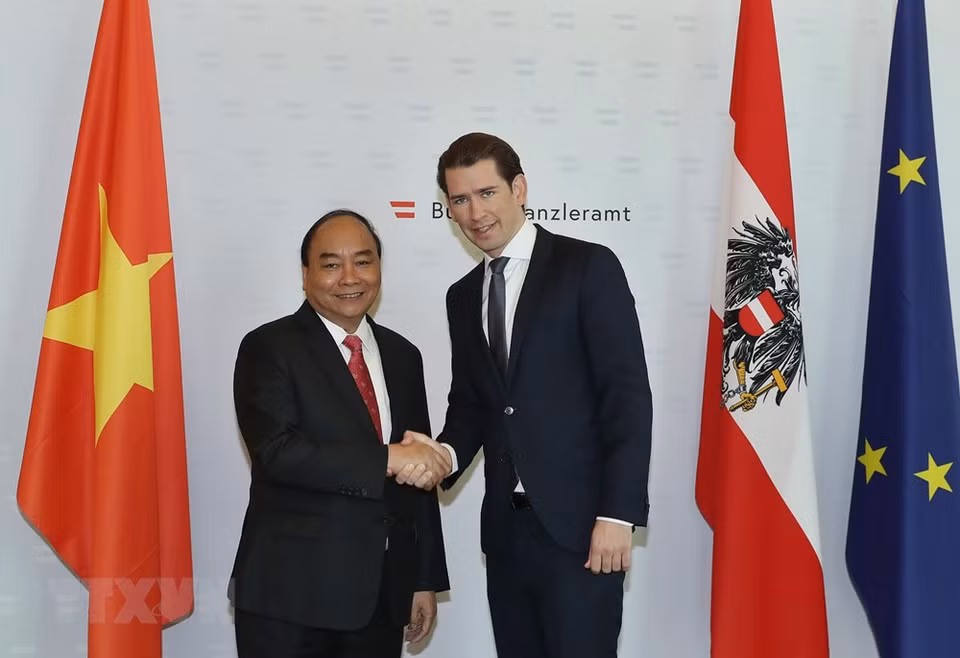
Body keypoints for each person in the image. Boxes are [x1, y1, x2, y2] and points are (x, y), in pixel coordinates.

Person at [403, 132, 652, 658]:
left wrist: (617, 515)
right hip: (506, 536)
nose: (474, 213)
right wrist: (441, 455)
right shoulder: (462, 296)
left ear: (519, 189)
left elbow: (626, 398)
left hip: (584, 533)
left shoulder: (588, 266)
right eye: (459, 200)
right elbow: (473, 403)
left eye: (486, 193)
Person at [229, 209, 451, 658]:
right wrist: (387, 458)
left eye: (364, 261)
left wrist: (423, 578)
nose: (349, 277)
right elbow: (278, 452)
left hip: (380, 600)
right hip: (290, 599)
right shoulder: (268, 347)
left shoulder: (403, 356)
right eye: (331, 264)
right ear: (306, 275)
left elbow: (417, 476)